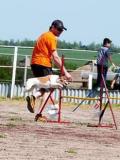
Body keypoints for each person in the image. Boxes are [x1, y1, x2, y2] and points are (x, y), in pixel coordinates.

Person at [26, 20, 72, 121]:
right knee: (49, 88)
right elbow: (55, 57)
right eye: (59, 29)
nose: (60, 31)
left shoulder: (44, 35)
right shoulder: (51, 37)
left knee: (44, 88)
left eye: (62, 30)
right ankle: (38, 112)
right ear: (52, 27)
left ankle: (35, 101)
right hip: (43, 64)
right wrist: (66, 72)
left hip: (35, 63)